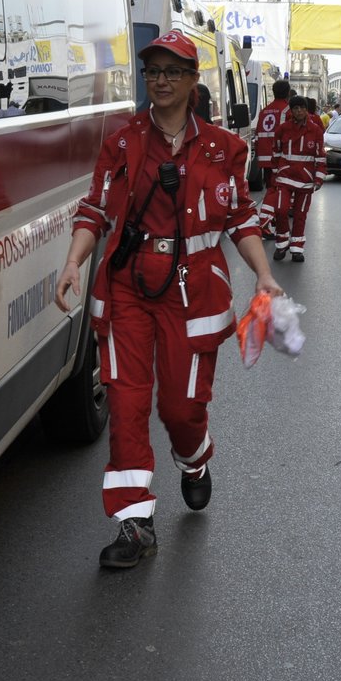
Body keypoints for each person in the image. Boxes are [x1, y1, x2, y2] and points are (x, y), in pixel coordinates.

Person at [55, 30, 283, 569]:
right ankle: (134, 522)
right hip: (129, 287)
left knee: (180, 409)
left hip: (193, 291)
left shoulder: (225, 149)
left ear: (191, 81)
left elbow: (240, 218)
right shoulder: (123, 142)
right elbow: (95, 210)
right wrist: (73, 262)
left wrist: (264, 275)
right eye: (151, 71)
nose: (158, 80)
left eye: (171, 72)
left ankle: (195, 459)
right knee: (127, 402)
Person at [271, 97, 326, 263]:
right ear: (291, 110)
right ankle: (281, 244)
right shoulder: (283, 129)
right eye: (295, 108)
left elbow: (320, 157)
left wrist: (318, 179)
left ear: (306, 110)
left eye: (302, 108)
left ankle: (296, 249)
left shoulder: (315, 131)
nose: (299, 111)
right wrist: (276, 172)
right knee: (280, 210)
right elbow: (276, 151)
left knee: (300, 215)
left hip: (305, 180)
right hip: (285, 178)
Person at [253, 78, 292, 231]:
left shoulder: (264, 111)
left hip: (264, 157)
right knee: (275, 190)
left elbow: (257, 135)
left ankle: (273, 217)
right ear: (288, 93)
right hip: (279, 158)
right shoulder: (287, 111)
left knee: (271, 187)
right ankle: (264, 222)